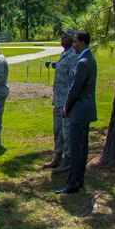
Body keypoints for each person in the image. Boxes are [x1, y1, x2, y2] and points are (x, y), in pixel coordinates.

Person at [57, 30, 97, 194]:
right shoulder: (90, 59)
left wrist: (66, 106)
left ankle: (73, 183)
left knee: (76, 148)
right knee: (82, 148)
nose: (73, 45)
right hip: (86, 110)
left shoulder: (83, 62)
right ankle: (79, 179)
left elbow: (75, 89)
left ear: (82, 42)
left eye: (75, 42)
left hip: (79, 111)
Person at [44, 29, 79, 172]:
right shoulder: (64, 54)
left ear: (71, 40)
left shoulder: (74, 57)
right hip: (57, 100)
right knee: (57, 130)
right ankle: (58, 156)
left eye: (65, 37)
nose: (62, 38)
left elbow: (73, 81)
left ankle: (68, 160)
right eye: (62, 36)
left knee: (66, 131)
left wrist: (69, 103)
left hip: (66, 101)